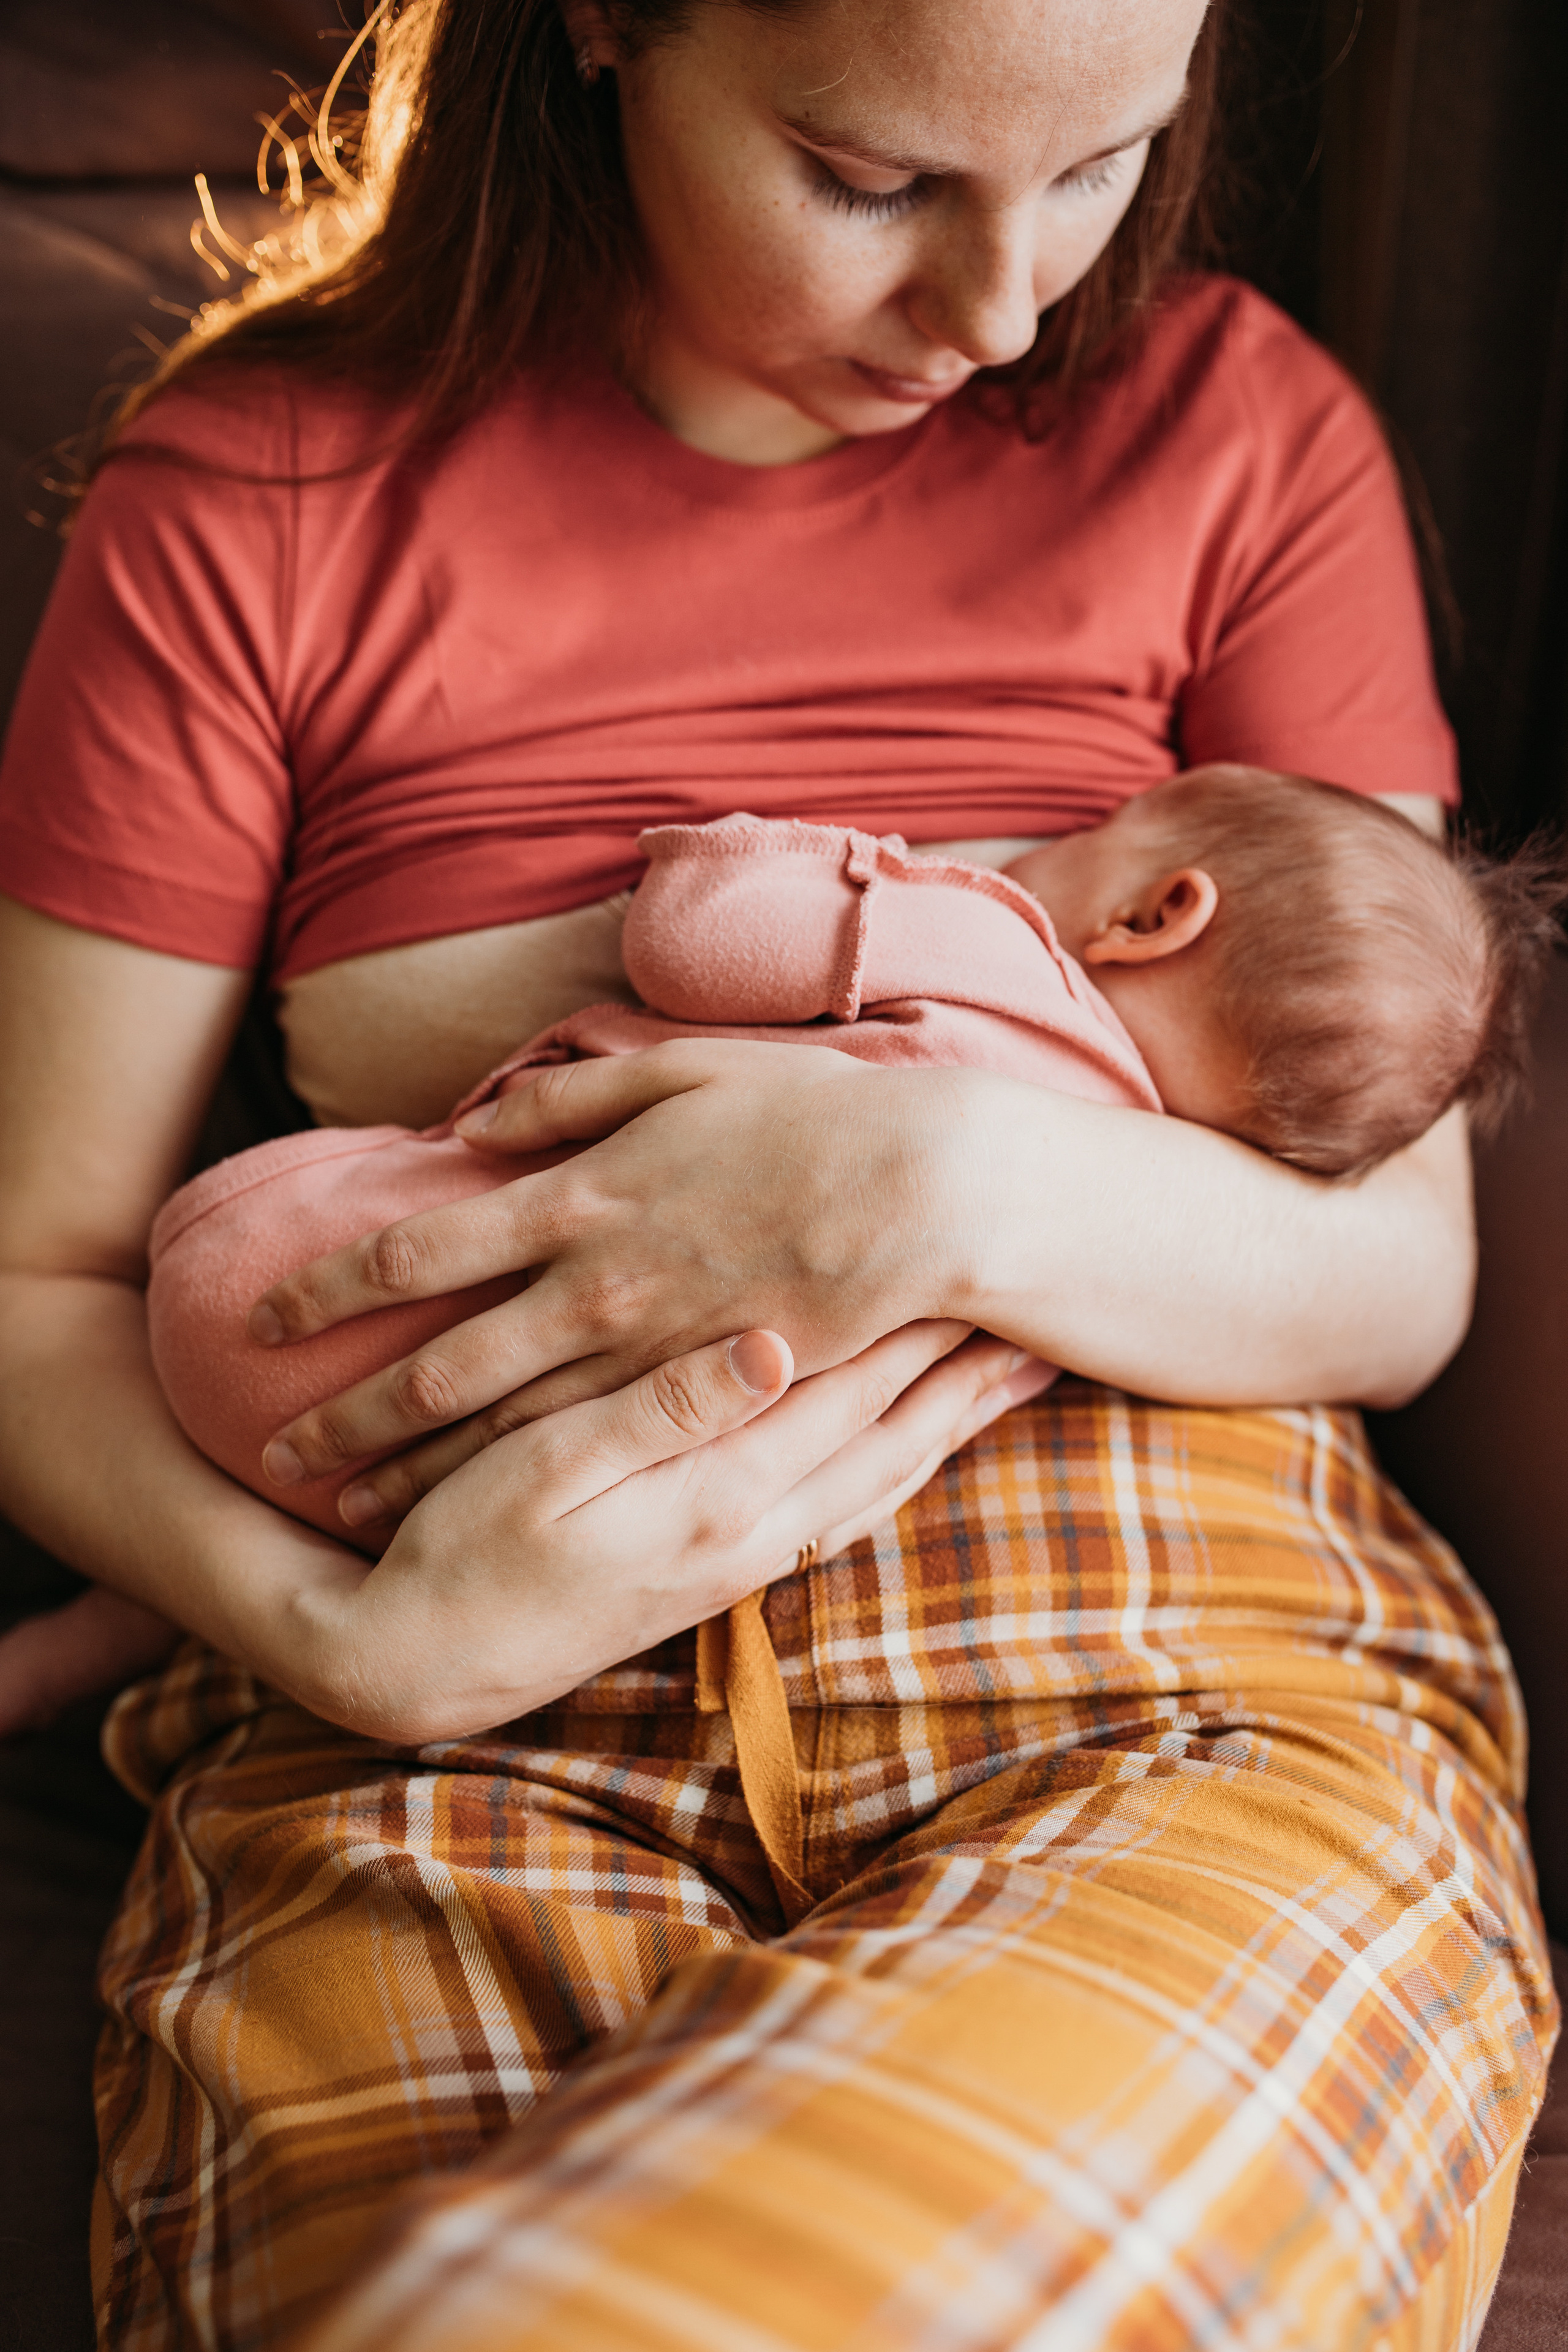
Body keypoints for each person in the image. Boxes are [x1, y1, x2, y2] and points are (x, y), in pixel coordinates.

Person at [0, 0, 1556, 2345]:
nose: (1007, 307)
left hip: (1160, 1625)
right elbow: (38, 1271)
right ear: (607, 21)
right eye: (869, 176)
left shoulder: (1238, 429)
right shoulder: (258, 490)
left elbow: (1397, 1263)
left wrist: (929, 1179)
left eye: (1109, 162)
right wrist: (355, 1642)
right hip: (452, 1664)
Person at [0, 766, 1558, 1744]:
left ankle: (119, 1626)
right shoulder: (1111, 1242)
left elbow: (695, 936)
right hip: (603, 1519)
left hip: (310, 1328)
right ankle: (165, 1622)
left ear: (1155, 910)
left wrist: (839, 860)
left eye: (1085, 829)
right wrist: (340, 1650)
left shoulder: (992, 949)